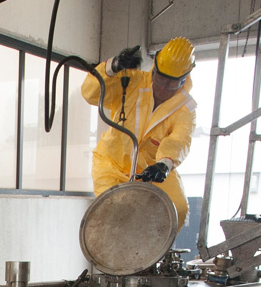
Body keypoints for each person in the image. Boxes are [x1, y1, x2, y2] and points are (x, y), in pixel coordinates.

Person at [81, 36, 197, 228]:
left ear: (184, 80)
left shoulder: (186, 108)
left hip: (151, 170)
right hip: (111, 164)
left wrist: (165, 164)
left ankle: (153, 255)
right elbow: (90, 94)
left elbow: (179, 139)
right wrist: (112, 67)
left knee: (177, 208)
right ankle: (116, 256)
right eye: (159, 79)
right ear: (155, 69)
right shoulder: (132, 81)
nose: (162, 88)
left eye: (171, 83)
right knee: (115, 214)